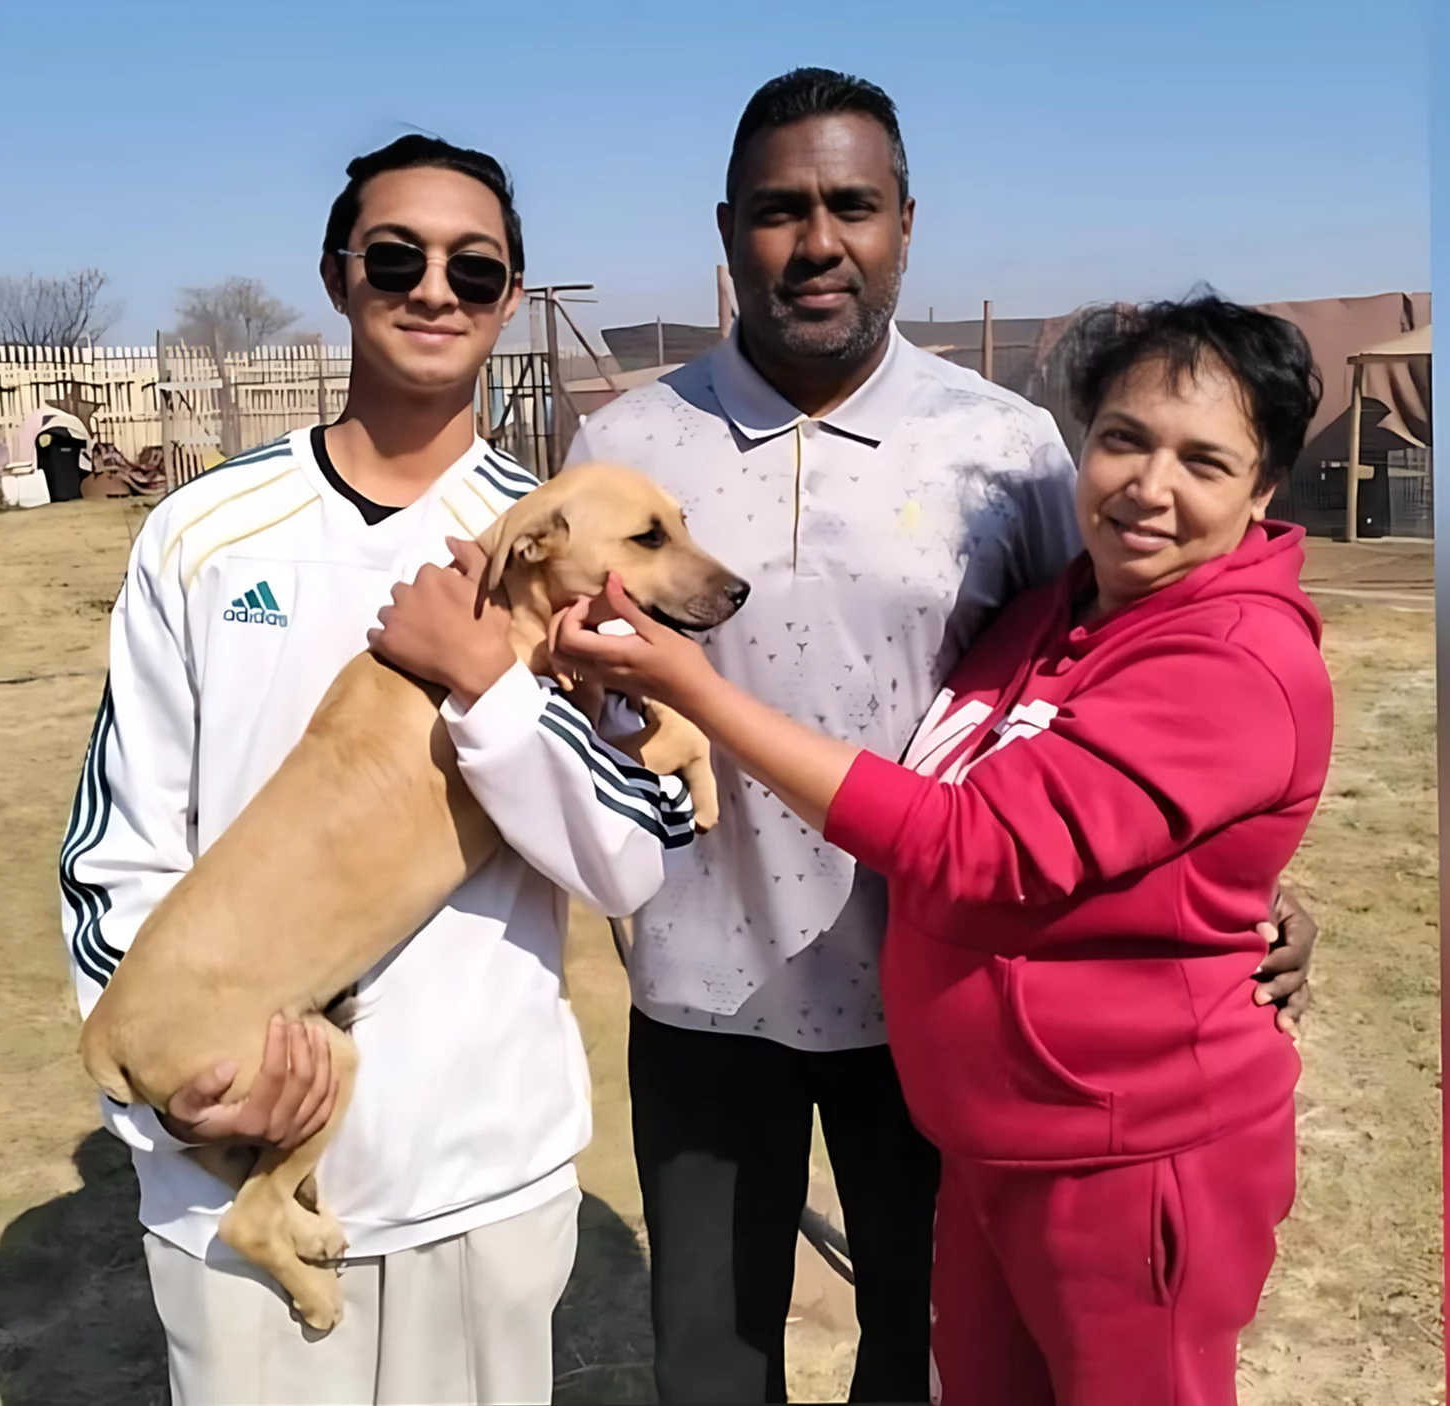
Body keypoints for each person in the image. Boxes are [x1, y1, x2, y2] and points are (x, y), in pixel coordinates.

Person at [562, 68, 1319, 1403]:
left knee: (923, 1363)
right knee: (709, 1367)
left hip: (931, 1010)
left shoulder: (1011, 450)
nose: (818, 241)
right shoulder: (622, 444)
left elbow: (1090, 697)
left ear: (905, 220)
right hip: (700, 990)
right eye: (780, 210)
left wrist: (1248, 884)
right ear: (728, 229)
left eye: (851, 204)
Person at [59, 134, 692, 1406]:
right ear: (339, 274)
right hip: (228, 1183)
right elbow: (119, 849)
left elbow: (624, 856)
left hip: (480, 1175)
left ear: (511, 299)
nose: (433, 289)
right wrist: (184, 1097)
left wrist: (487, 682)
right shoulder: (200, 531)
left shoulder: (561, 535)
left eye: (475, 267)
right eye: (395, 256)